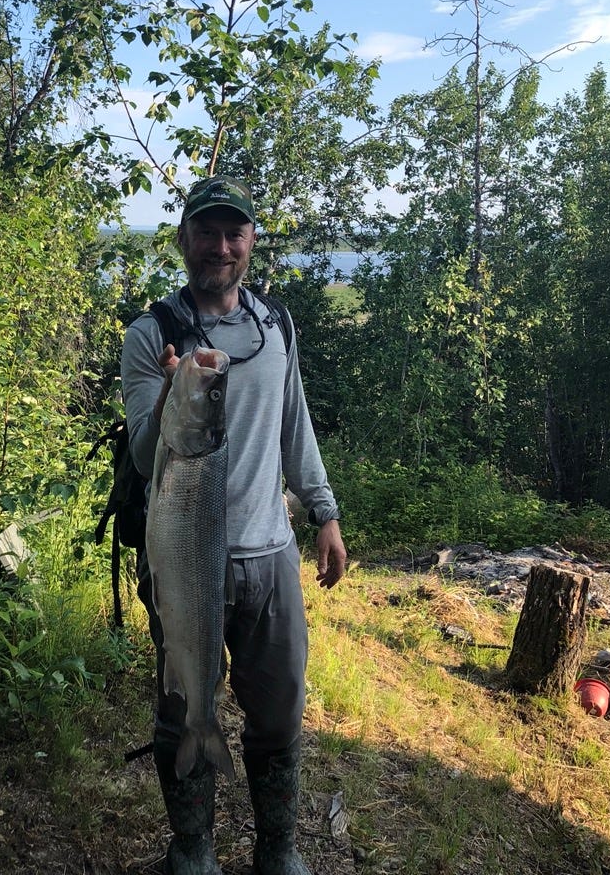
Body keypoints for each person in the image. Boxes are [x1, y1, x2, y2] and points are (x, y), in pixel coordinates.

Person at [120, 174, 348, 875]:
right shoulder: (149, 334)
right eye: (207, 232)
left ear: (250, 242)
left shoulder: (274, 324)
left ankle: (278, 851)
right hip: (186, 561)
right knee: (182, 697)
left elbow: (293, 422)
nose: (221, 246)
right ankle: (193, 853)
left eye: (234, 233)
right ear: (184, 239)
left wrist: (324, 511)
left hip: (269, 555)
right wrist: (166, 394)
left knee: (279, 713)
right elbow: (142, 451)